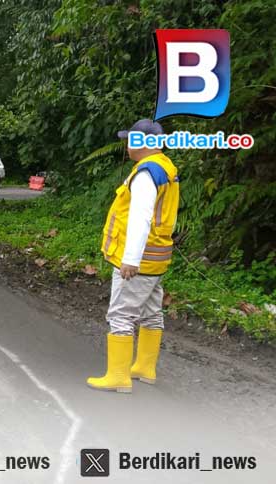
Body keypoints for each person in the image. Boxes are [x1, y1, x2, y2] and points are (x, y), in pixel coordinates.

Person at [87, 119, 180, 394]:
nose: (127, 144)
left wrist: (130, 259)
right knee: (151, 313)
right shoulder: (164, 168)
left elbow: (140, 217)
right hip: (157, 257)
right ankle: (144, 368)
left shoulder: (146, 174)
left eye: (131, 140)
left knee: (121, 314)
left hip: (139, 259)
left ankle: (118, 376)